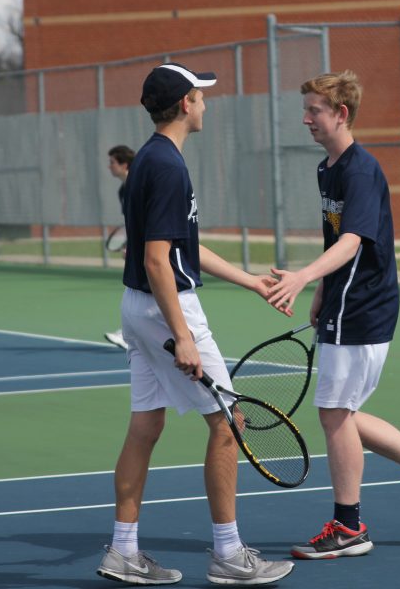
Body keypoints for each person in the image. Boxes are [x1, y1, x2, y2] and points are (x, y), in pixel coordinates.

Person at [95, 62, 294, 586]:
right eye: (201, 96)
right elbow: (160, 260)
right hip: (165, 309)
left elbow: (182, 245)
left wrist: (249, 280)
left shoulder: (149, 161)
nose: (206, 103)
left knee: (146, 426)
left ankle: (122, 551)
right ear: (186, 104)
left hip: (136, 308)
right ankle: (229, 554)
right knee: (230, 423)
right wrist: (181, 334)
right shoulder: (168, 167)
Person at [266, 70, 400, 559]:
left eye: (315, 110)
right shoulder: (327, 168)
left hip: (365, 307)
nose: (306, 118)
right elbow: (337, 240)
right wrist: (322, 293)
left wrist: (303, 278)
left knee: (334, 415)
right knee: (342, 414)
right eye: (306, 109)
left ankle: (350, 526)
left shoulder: (359, 170)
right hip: (344, 302)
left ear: (341, 114)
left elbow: (355, 239)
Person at [104, 144, 136, 350]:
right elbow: (132, 222)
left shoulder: (138, 184)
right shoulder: (123, 190)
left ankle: (128, 335)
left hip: (155, 248)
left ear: (124, 164)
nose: (109, 167)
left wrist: (136, 247)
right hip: (139, 247)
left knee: (137, 290)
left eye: (112, 163)